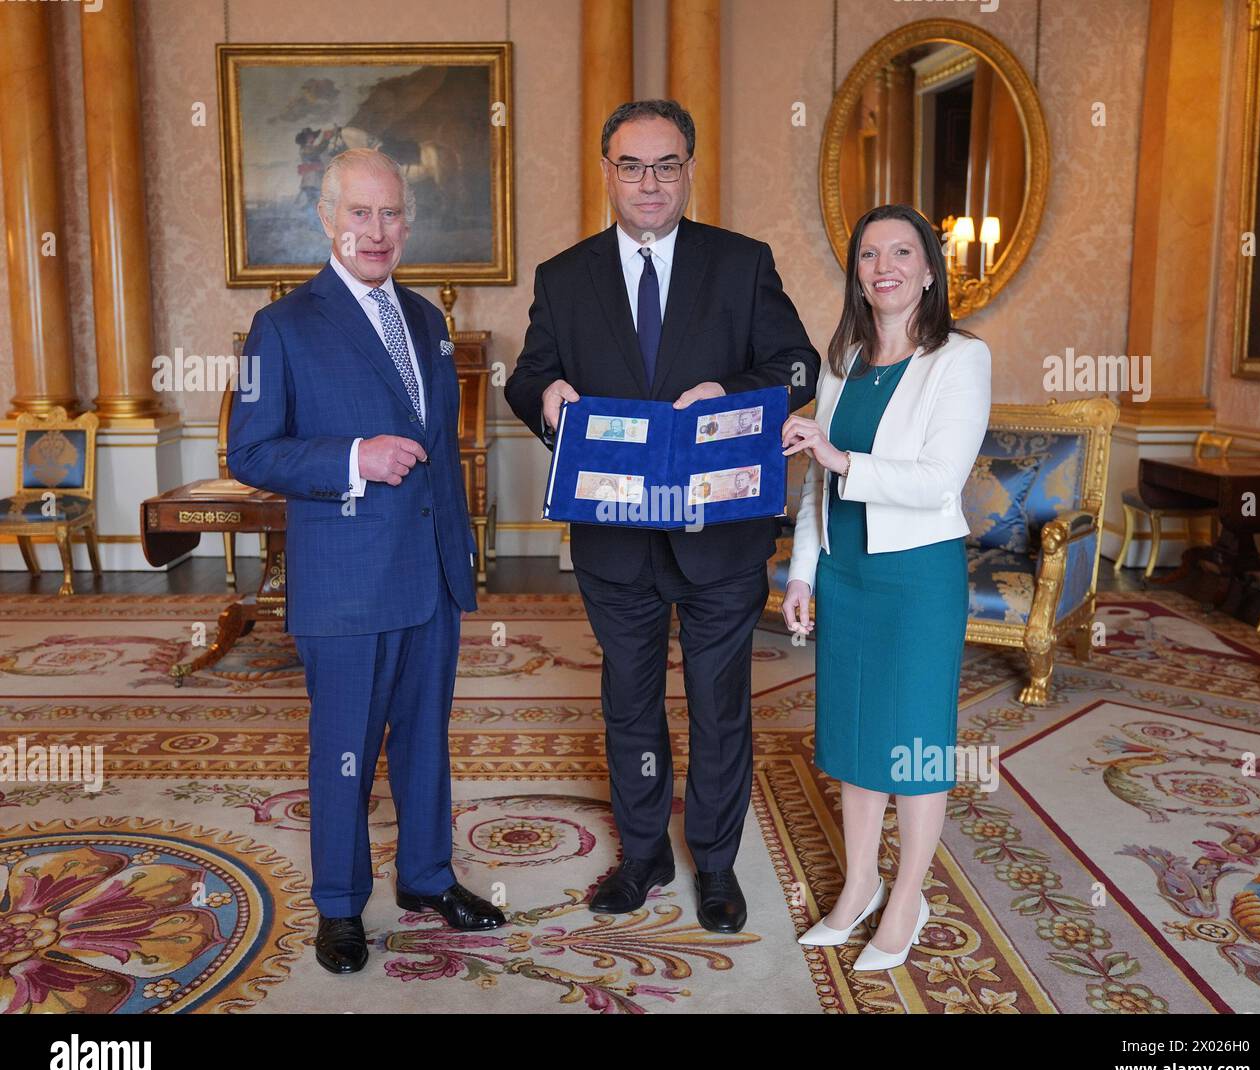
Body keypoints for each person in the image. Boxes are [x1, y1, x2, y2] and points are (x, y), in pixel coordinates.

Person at [505, 99, 818, 933]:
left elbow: (797, 362)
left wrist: (735, 393)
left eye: (666, 165)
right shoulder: (564, 276)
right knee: (629, 701)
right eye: (632, 165)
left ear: (689, 170)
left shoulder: (742, 262)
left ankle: (715, 864)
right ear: (606, 171)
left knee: (721, 704)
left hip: (719, 532)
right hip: (615, 537)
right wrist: (548, 397)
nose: (649, 182)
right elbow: (526, 376)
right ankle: (644, 854)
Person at [228, 147, 505, 976]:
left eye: (391, 215)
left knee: (426, 739)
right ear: (325, 217)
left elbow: (446, 453)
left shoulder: (425, 318)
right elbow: (250, 450)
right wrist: (353, 457)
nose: (377, 231)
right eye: (360, 213)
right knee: (344, 748)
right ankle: (341, 906)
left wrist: (463, 559)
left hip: (430, 577)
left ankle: (426, 877)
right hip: (347, 585)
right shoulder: (277, 327)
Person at [780, 203, 990, 971]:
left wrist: (837, 459)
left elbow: (940, 480)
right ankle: (860, 884)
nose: (885, 267)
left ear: (930, 270)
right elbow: (815, 488)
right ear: (857, 275)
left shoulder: (961, 359)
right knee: (855, 736)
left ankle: (908, 897)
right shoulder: (843, 361)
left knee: (914, 745)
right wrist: (803, 572)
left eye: (902, 252)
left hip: (916, 577)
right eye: (870, 255)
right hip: (847, 573)